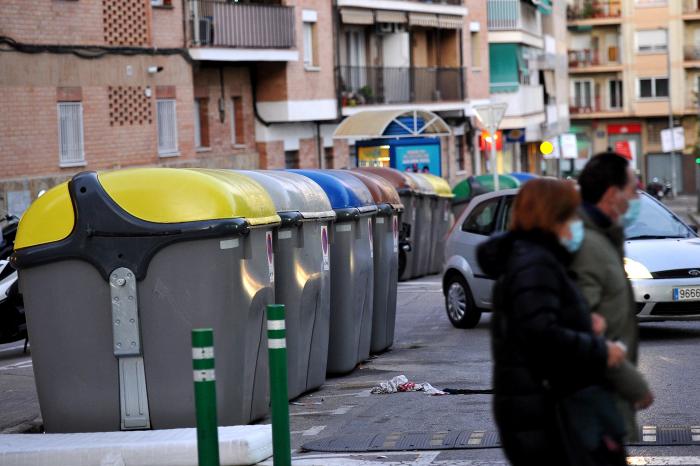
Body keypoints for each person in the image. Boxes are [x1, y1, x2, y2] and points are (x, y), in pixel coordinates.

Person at [478, 178, 627, 466]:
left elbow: (533, 322)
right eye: (572, 213)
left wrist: (584, 322)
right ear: (553, 215)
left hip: (535, 409)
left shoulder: (533, 258)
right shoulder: (535, 263)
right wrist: (601, 350)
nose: (577, 221)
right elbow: (542, 337)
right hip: (546, 414)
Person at [572, 153, 654, 441]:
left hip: (604, 403)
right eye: (633, 189)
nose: (637, 196)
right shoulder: (587, 246)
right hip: (594, 407)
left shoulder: (604, 238)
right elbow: (582, 331)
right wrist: (633, 384)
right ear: (611, 194)